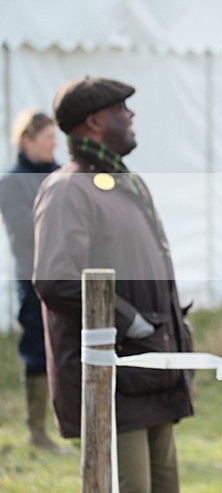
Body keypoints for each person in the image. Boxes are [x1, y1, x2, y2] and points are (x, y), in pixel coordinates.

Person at [32, 77, 194, 493]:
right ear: (95, 122)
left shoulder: (127, 181)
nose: (132, 116)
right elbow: (56, 281)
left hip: (152, 367)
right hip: (113, 376)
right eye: (123, 109)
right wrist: (130, 321)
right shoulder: (68, 188)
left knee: (165, 485)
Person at [0, 109, 60, 451]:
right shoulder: (11, 181)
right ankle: (37, 431)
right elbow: (25, 233)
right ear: (27, 140)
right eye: (47, 138)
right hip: (34, 279)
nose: (54, 144)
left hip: (67, 274)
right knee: (37, 350)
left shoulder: (60, 174)